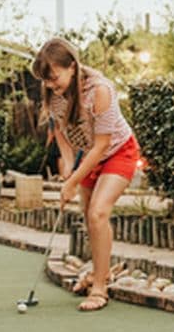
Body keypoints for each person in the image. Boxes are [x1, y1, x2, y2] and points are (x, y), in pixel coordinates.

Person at [31, 37, 140, 311]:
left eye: (54, 77)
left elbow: (103, 143)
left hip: (118, 151)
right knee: (89, 217)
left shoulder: (100, 90)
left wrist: (73, 180)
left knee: (98, 213)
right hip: (89, 156)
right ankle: (99, 272)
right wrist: (67, 168)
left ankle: (100, 288)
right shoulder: (55, 95)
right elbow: (62, 134)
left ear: (72, 67)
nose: (50, 85)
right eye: (46, 80)